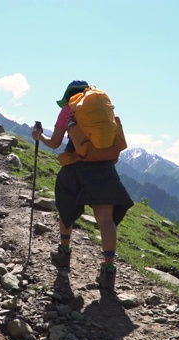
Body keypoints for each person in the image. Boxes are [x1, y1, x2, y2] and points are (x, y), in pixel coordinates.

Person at [31, 80, 134, 290]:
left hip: (76, 166)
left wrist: (38, 136)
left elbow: (55, 143)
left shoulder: (69, 108)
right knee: (105, 219)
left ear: (70, 96)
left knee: (66, 208)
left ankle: (64, 252)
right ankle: (109, 270)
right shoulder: (102, 110)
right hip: (104, 168)